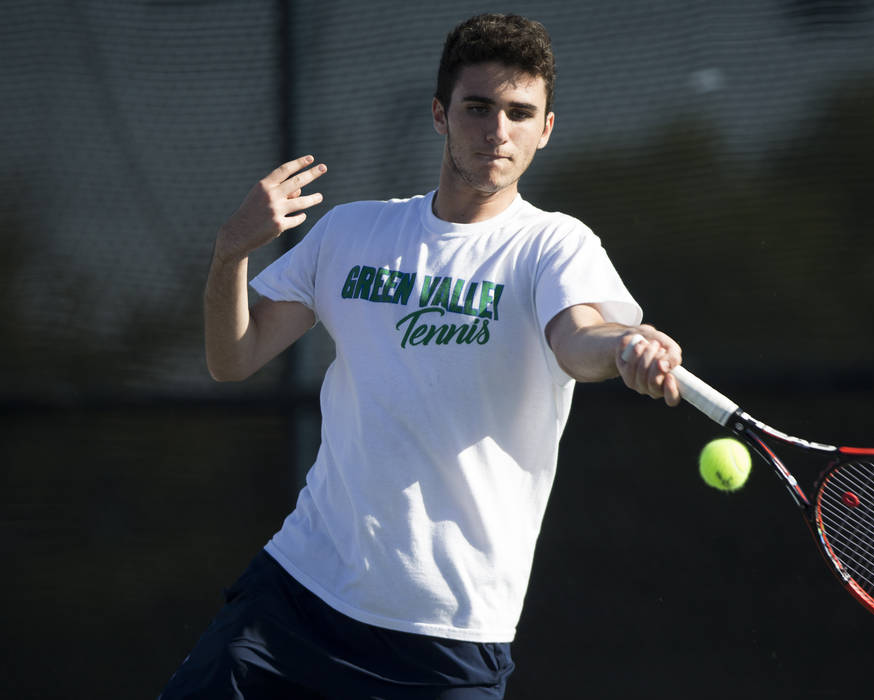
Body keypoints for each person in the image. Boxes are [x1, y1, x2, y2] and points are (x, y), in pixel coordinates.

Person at [160, 13, 682, 699]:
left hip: (449, 635)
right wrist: (231, 251)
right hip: (296, 597)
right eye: (478, 108)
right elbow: (233, 358)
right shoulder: (351, 232)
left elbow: (578, 337)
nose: (498, 130)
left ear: (546, 129)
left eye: (520, 113)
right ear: (441, 114)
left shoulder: (555, 246)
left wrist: (627, 346)